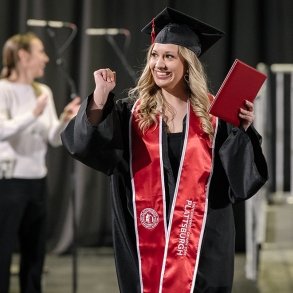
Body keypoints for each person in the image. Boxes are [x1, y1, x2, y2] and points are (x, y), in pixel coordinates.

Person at [61, 7, 268, 293]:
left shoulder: (217, 118)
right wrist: (99, 96)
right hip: (144, 240)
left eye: (169, 56)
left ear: (187, 64)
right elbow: (86, 144)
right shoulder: (130, 115)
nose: (159, 63)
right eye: (155, 55)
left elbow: (243, 182)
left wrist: (244, 131)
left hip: (204, 244)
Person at [0, 32, 80, 293]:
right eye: (40, 52)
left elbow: (53, 139)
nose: (46, 58)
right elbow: (3, 131)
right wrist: (33, 113)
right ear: (22, 56)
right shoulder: (3, 89)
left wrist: (65, 119)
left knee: (35, 252)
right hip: (9, 182)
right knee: (3, 249)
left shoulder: (42, 91)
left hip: (37, 181)